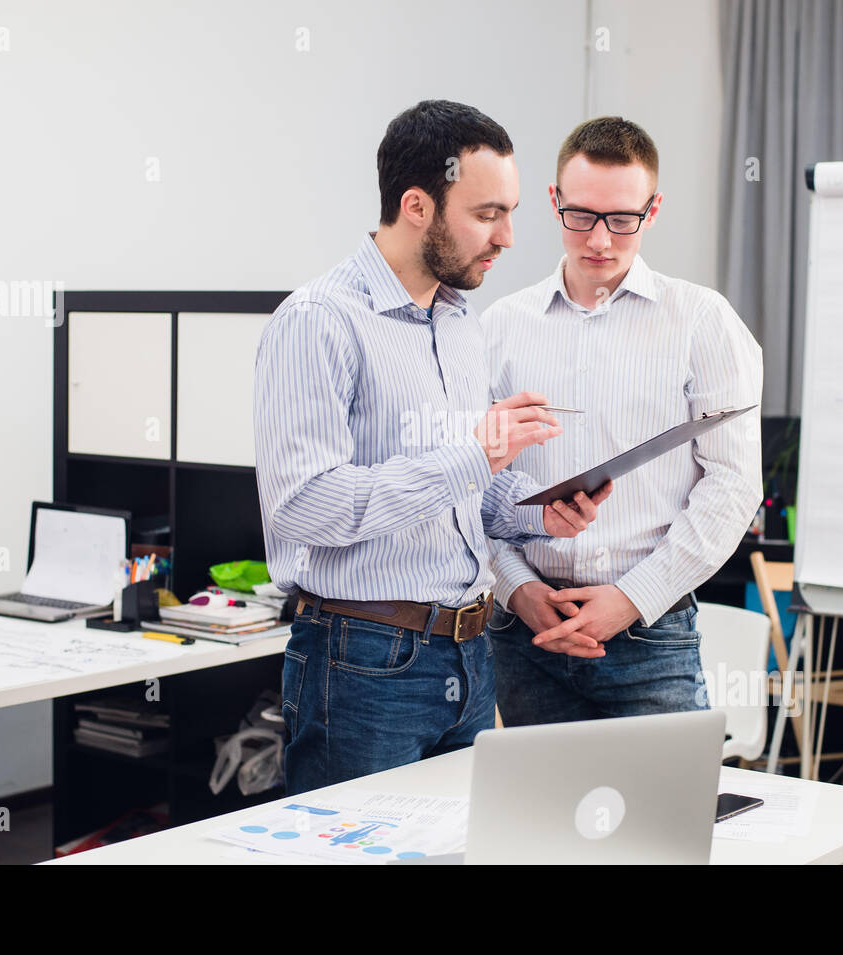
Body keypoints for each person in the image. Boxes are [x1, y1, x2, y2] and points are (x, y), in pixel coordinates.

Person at [255, 100, 612, 794]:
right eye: (487, 213)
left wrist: (538, 510)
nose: (508, 236)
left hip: (471, 653)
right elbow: (305, 505)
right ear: (416, 205)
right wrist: (475, 457)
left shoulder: (460, 323)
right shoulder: (317, 321)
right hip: (362, 661)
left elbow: (462, 496)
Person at [481, 116, 762, 726]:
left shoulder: (702, 321)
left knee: (668, 818)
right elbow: (469, 485)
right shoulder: (499, 326)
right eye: (581, 216)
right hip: (526, 632)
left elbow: (734, 485)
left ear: (651, 211)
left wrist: (633, 599)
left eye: (622, 219)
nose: (600, 241)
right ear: (554, 203)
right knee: (535, 818)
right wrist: (517, 590)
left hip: (648, 634)